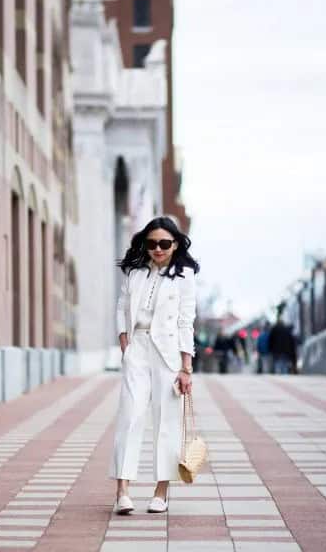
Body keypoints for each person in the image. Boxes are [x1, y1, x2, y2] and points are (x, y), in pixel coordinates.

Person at [110, 216, 199, 515]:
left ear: (175, 244)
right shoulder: (134, 272)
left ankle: (161, 491)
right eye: (152, 244)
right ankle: (122, 490)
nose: (158, 249)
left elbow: (187, 321)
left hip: (169, 354)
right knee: (130, 415)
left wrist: (186, 367)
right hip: (137, 348)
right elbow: (122, 306)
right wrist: (124, 340)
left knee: (166, 422)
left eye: (164, 243)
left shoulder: (185, 276)